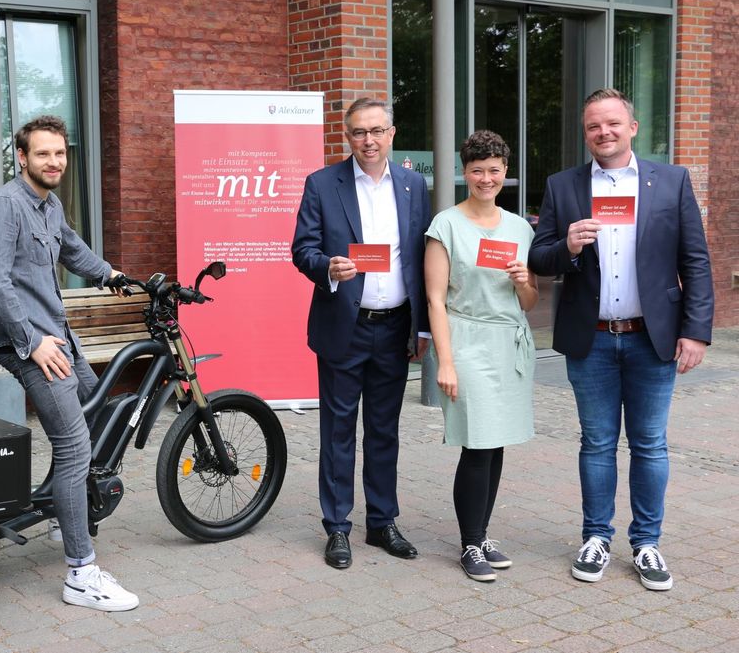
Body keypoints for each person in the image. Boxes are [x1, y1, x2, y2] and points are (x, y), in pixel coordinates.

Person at [528, 88, 714, 591]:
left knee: (650, 444)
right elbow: (538, 258)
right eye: (593, 126)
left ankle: (647, 543)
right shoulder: (563, 186)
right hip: (591, 341)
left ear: (632, 127)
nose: (603, 132)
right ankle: (596, 538)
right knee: (597, 443)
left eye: (612, 123)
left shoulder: (670, 181)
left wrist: (696, 331)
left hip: (651, 337)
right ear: (585, 133)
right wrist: (565, 245)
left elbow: (694, 260)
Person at [0, 115, 139, 611]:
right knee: (74, 446)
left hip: (58, 339)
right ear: (21, 157)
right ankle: (81, 574)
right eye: (43, 153)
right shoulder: (5, 205)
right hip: (30, 346)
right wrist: (32, 341)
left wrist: (113, 275)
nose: (54, 162)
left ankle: (58, 510)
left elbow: (71, 247)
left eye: (60, 154)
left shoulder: (49, 205)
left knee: (101, 410)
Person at [291, 97, 431, 569]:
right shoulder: (322, 184)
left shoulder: (414, 185)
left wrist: (423, 326)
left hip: (394, 328)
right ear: (346, 136)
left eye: (376, 131)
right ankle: (337, 528)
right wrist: (327, 266)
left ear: (392, 134)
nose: (368, 141)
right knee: (338, 433)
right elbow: (302, 248)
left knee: (384, 431)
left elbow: (420, 258)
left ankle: (382, 522)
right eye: (358, 133)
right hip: (343, 328)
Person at [423, 130, 537, 582]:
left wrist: (524, 280)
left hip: (508, 342)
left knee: (496, 441)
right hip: (466, 340)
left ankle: (482, 532)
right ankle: (470, 543)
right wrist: (445, 362)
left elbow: (528, 303)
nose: (485, 178)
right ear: (464, 173)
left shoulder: (520, 228)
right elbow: (435, 300)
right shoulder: (445, 226)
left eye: (493, 170)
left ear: (504, 172)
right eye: (476, 170)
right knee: (476, 443)